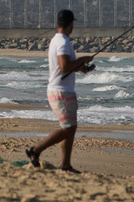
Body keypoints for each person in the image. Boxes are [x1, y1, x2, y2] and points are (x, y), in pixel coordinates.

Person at [25, 10, 93, 174]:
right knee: (68, 128)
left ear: (57, 24)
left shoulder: (57, 39)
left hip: (61, 89)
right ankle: (36, 150)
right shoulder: (63, 42)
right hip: (61, 91)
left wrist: (79, 67)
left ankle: (66, 166)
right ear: (71, 24)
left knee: (70, 127)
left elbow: (64, 67)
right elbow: (63, 67)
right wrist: (83, 59)